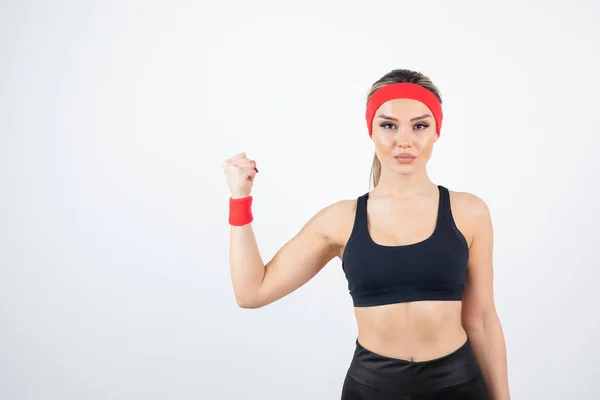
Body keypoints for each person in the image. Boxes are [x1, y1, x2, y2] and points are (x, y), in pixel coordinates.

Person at [223, 68, 510, 399]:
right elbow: (251, 292)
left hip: (457, 386)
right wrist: (239, 199)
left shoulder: (469, 212)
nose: (404, 140)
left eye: (420, 125)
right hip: (372, 388)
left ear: (436, 131)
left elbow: (482, 320)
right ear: (371, 131)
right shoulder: (340, 220)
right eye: (388, 125)